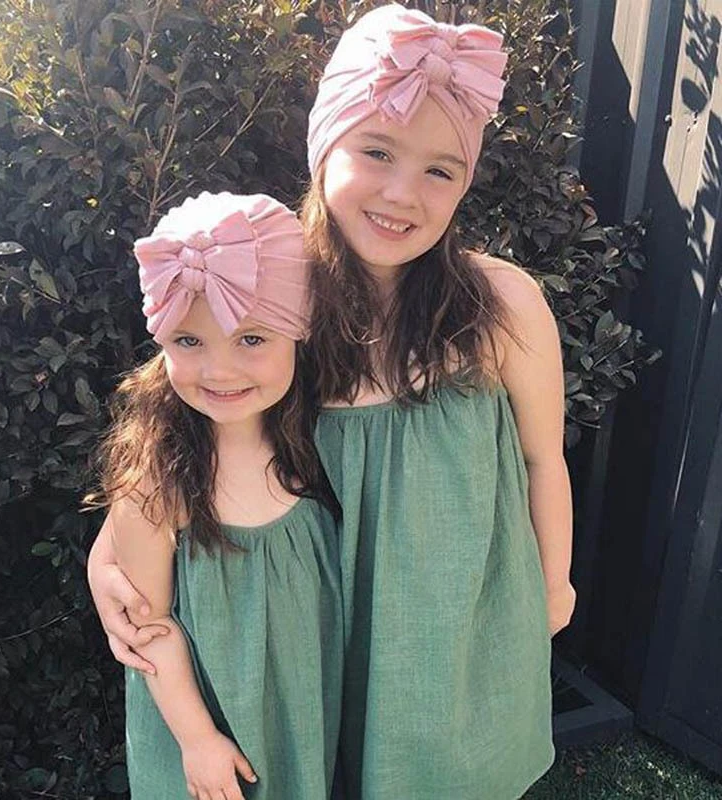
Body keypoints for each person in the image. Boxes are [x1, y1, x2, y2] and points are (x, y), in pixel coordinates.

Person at [89, 5, 576, 798]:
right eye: (376, 150)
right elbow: (172, 425)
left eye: (440, 170)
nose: (402, 193)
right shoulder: (262, 294)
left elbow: (541, 458)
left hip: (445, 633)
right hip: (298, 641)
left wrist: (552, 586)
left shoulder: (501, 308)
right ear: (325, 146)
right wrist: (106, 563)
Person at [88, 191, 343, 800]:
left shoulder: (324, 441)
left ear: (298, 333)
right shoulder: (159, 476)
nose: (220, 371)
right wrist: (198, 739)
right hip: (207, 727)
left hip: (307, 704)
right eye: (189, 341)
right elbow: (148, 624)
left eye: (252, 339)